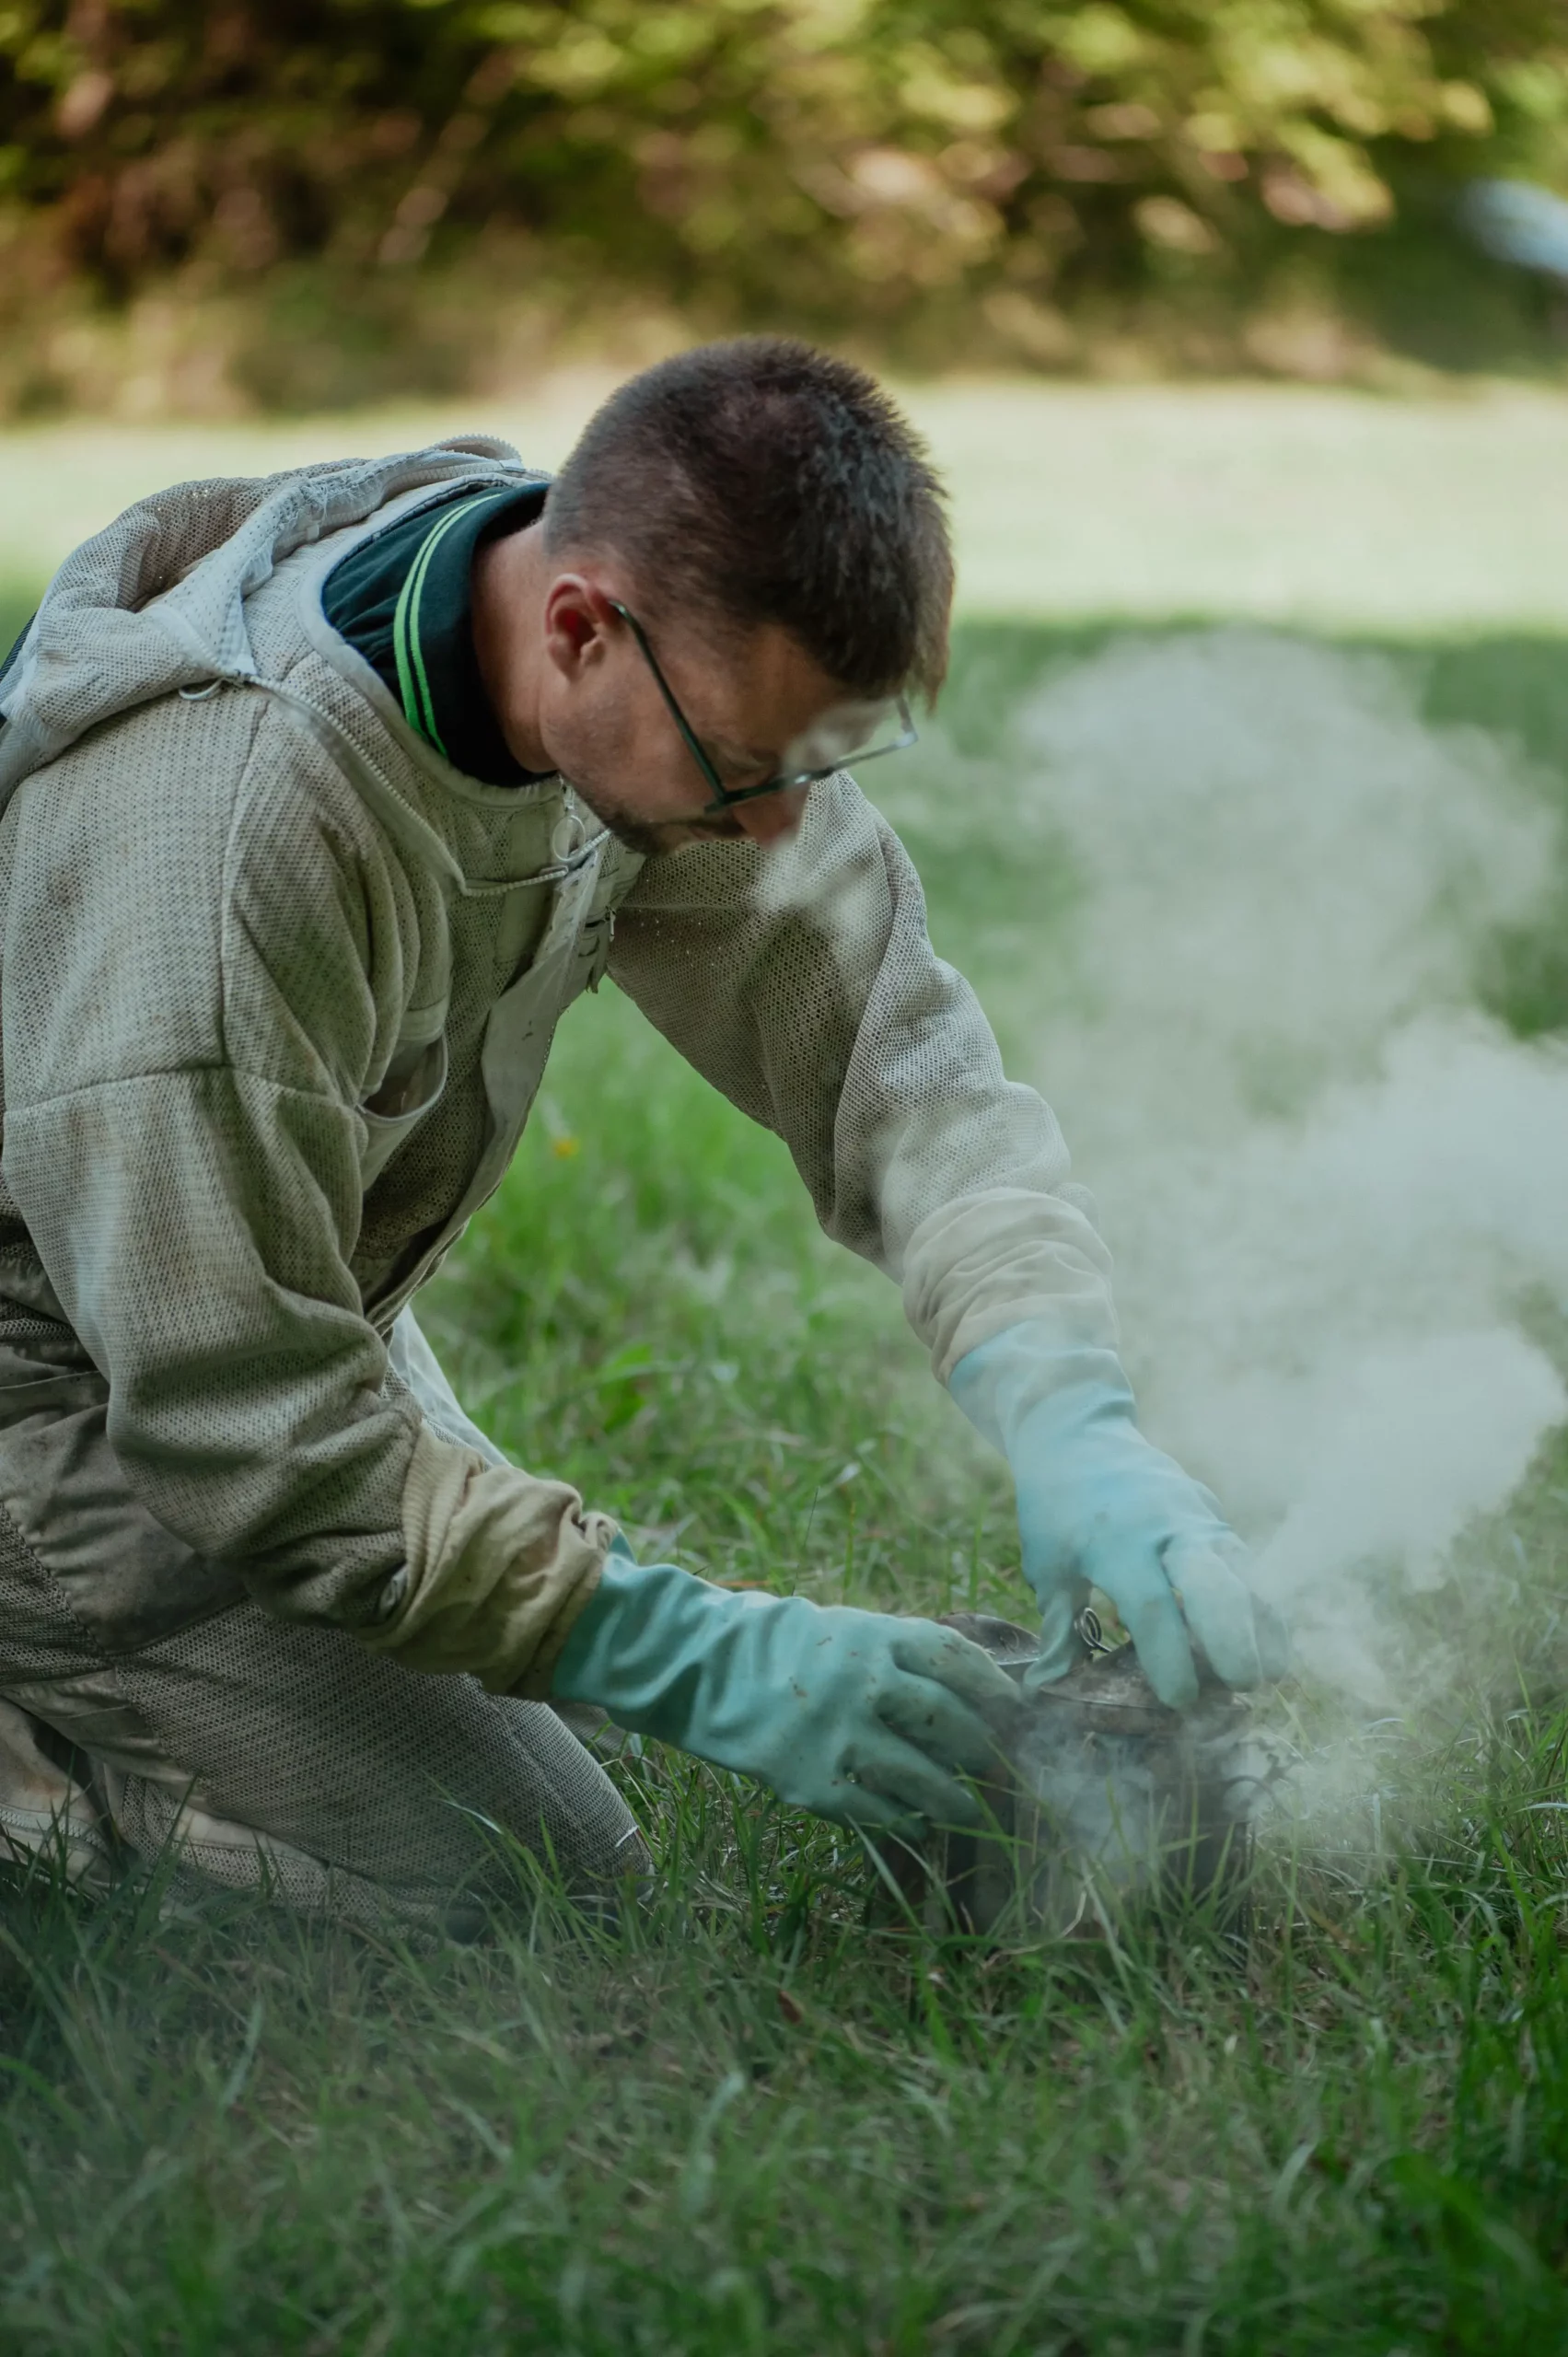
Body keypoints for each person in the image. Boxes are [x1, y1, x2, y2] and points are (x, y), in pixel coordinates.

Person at [0, 340, 1286, 1930]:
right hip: (74, 1397)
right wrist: (694, 1654)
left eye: (824, 764)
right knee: (521, 1889)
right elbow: (242, 1425)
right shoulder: (213, 842)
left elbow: (897, 1062)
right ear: (576, 626)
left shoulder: (629, 677)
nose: (775, 831)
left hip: (253, 1303)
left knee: (531, 1668)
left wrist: (1066, 1402)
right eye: (749, 771)